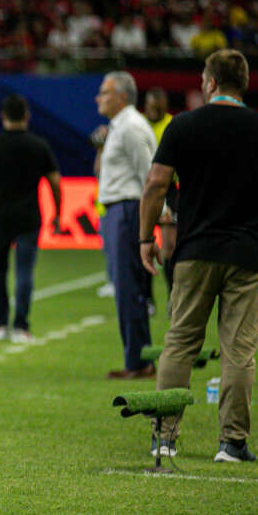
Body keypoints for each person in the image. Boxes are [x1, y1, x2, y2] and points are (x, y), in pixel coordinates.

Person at [140, 49, 258, 463]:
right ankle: (232, 443)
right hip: (248, 253)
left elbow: (156, 185)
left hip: (194, 251)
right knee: (238, 350)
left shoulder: (183, 126)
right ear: (243, 83)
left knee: (179, 343)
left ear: (211, 82)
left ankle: (164, 437)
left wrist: (146, 238)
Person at [0, 94, 61, 343]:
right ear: (26, 116)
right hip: (29, 217)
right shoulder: (39, 145)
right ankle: (21, 326)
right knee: (25, 272)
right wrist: (57, 213)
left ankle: (0, 324)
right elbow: (55, 182)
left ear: (2, 116)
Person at [94, 71, 156, 379]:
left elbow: (151, 176)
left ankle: (139, 362)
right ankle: (139, 358)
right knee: (127, 288)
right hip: (118, 210)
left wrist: (153, 215)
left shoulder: (130, 127)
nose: (98, 98)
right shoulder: (120, 127)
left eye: (104, 93)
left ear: (121, 96)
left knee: (129, 289)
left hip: (128, 210)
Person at [144, 87, 176, 301]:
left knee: (170, 246)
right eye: (150, 106)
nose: (153, 109)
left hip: (170, 190)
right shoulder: (139, 125)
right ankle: (147, 298)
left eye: (157, 106)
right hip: (145, 189)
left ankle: (173, 296)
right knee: (145, 241)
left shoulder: (173, 125)